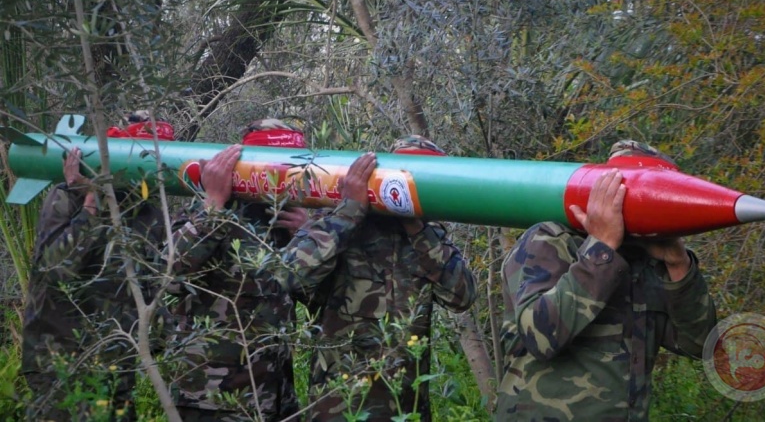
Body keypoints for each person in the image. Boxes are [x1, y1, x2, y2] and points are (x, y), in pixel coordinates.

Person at [495, 140, 717, 421]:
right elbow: (540, 337)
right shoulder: (550, 240)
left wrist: (679, 265)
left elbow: (701, 345)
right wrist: (601, 247)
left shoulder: (649, 262)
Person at [282, 135, 478, 422]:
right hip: (340, 407)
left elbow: (462, 297)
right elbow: (289, 276)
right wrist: (349, 211)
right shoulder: (343, 220)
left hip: (404, 407)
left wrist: (417, 226)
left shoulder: (428, 237)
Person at [22, 114, 174, 421]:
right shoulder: (67, 197)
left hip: (117, 369)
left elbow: (152, 283)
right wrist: (92, 201)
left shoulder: (148, 212)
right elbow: (54, 269)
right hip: (61, 368)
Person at [168, 119, 308, 421]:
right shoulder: (207, 209)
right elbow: (169, 276)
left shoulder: (287, 216)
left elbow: (313, 293)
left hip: (276, 395)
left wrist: (307, 235)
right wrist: (213, 206)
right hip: (215, 399)